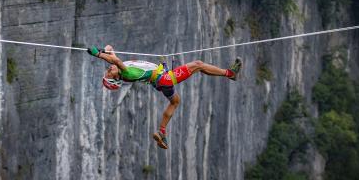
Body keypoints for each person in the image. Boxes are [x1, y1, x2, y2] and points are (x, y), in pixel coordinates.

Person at [87, 45, 242, 149]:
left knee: (175, 101)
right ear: (116, 78)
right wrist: (98, 54)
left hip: (159, 81)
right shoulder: (125, 72)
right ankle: (230, 74)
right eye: (108, 73)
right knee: (198, 64)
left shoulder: (120, 70)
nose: (108, 69)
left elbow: (110, 49)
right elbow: (114, 59)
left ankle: (161, 131)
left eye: (107, 70)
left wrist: (103, 49)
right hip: (164, 79)